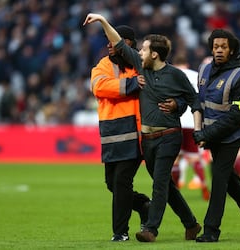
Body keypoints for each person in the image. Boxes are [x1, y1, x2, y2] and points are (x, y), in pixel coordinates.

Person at [84, 13, 203, 243]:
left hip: (158, 136)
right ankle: (189, 222)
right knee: (146, 184)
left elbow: (191, 99)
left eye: (142, 49)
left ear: (152, 53)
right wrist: (101, 20)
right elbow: (99, 84)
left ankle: (145, 229)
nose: (139, 52)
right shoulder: (136, 68)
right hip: (131, 137)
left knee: (153, 183)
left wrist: (178, 106)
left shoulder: (163, 72)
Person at [192, 29, 240, 242]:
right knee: (231, 182)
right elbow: (198, 101)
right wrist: (200, 130)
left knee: (218, 179)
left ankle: (211, 231)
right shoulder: (204, 70)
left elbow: (237, 115)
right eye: (215, 46)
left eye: (223, 47)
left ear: (233, 50)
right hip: (212, 133)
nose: (218, 50)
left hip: (233, 135)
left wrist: (206, 133)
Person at [170, 55, 210, 201]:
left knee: (175, 158)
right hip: (193, 121)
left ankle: (175, 189)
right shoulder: (196, 76)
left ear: (174, 64)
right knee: (194, 158)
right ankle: (204, 184)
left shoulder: (172, 75)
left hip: (176, 121)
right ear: (187, 63)